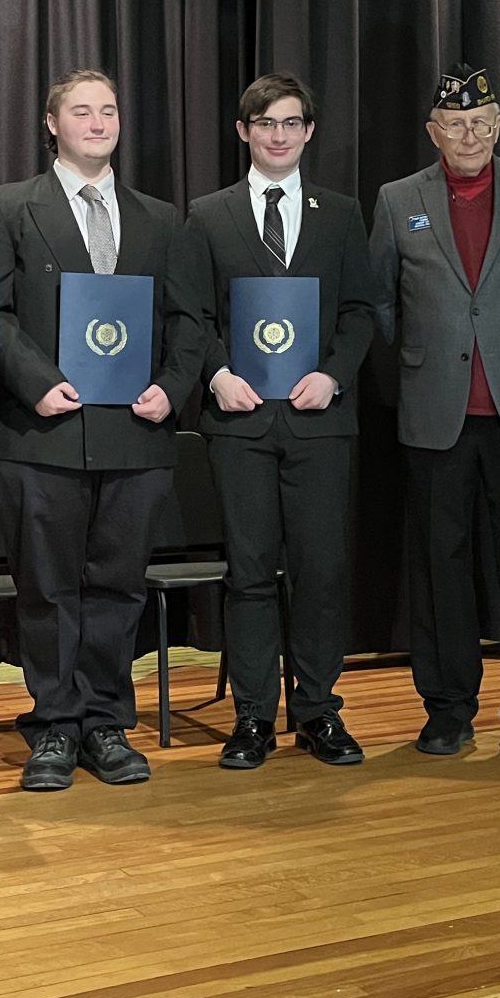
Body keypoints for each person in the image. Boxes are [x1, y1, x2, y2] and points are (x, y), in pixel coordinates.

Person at [0, 69, 201, 791]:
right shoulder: (7, 208)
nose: (97, 122)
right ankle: (53, 728)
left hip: (136, 435)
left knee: (118, 586)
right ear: (52, 124)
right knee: (46, 587)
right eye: (81, 111)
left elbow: (188, 321)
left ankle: (103, 723)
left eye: (108, 110)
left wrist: (172, 386)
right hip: (42, 433)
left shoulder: (163, 218)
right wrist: (36, 384)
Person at [369, 62, 500, 761]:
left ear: (498, 126)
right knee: (440, 566)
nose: (469, 135)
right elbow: (380, 301)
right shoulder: (399, 200)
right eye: (455, 124)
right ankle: (448, 708)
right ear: (434, 131)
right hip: (436, 416)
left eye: (481, 123)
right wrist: (433, 355)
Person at [177, 73, 377, 770]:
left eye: (292, 122)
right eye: (266, 122)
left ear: (309, 132)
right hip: (239, 425)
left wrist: (334, 374)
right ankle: (254, 717)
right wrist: (218, 374)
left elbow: (360, 311)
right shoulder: (207, 215)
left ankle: (319, 712)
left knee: (321, 572)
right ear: (243, 131)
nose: (279, 134)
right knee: (251, 573)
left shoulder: (342, 213)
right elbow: (192, 315)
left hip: (320, 423)